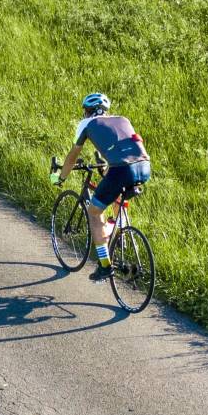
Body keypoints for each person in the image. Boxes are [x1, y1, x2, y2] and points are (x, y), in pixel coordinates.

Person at [50, 93, 151, 281]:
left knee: (94, 212)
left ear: (88, 110)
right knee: (117, 194)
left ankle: (105, 266)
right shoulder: (122, 119)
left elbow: (72, 157)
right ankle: (120, 231)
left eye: (85, 110)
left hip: (122, 170)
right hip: (144, 167)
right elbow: (120, 147)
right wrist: (105, 168)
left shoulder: (87, 124)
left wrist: (60, 177)